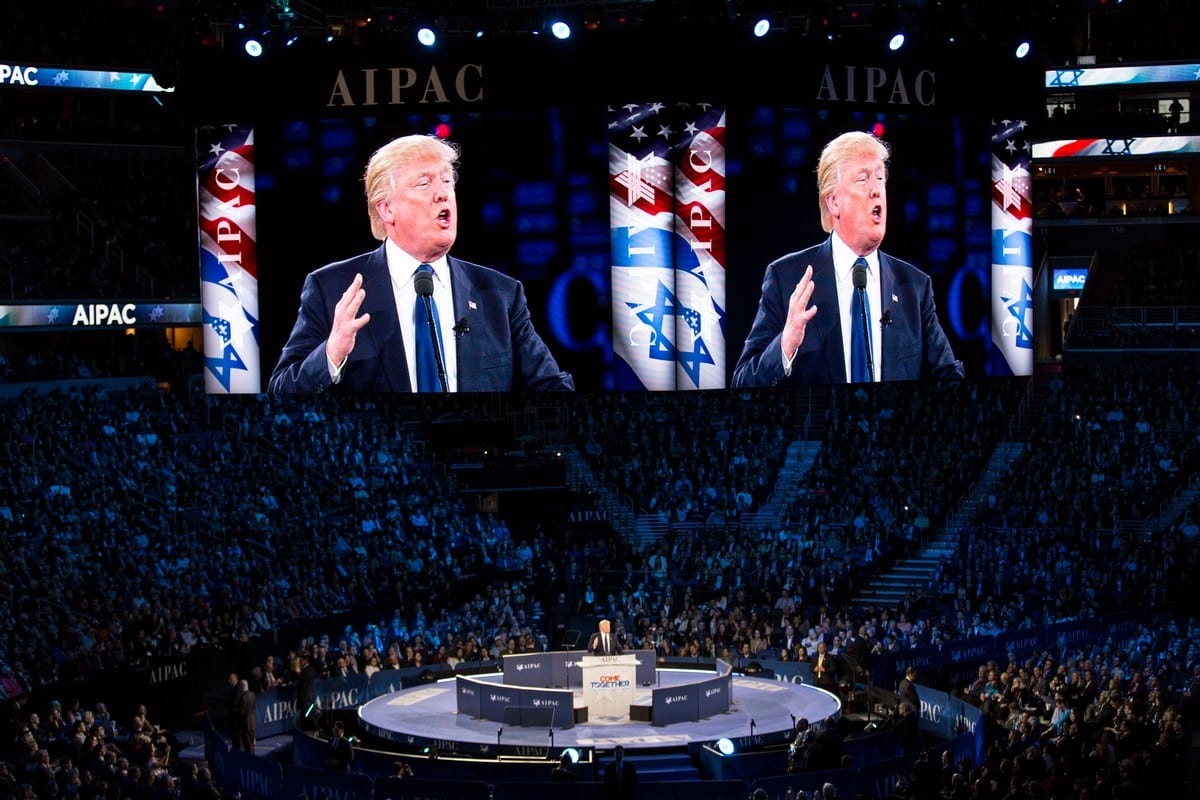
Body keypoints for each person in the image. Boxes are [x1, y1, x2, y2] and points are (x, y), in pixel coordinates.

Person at [269, 134, 574, 393]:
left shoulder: (500, 294)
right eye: (424, 183)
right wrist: (331, 354)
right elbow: (281, 389)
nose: (443, 193)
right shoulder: (332, 288)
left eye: (446, 180)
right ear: (387, 209)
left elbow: (550, 388)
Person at [732, 131, 963, 386]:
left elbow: (949, 380)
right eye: (863, 179)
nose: (877, 190)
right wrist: (785, 346)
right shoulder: (786, 279)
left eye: (880, 178)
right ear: (833, 203)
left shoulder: (914, 287)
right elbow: (742, 385)